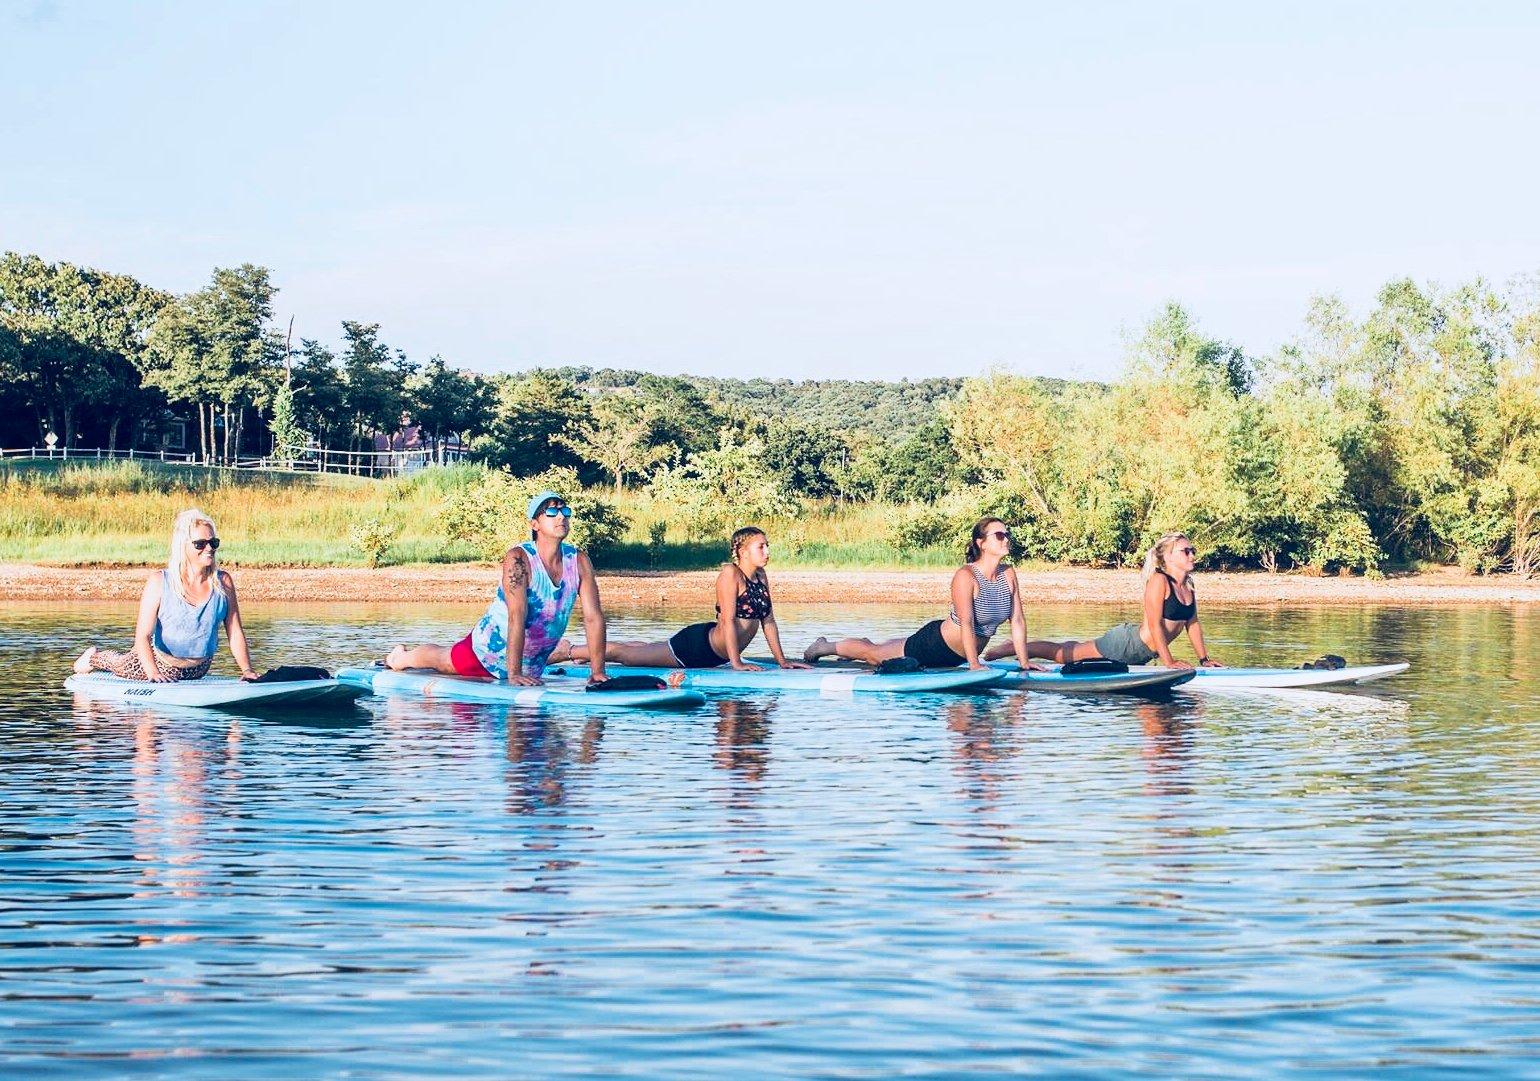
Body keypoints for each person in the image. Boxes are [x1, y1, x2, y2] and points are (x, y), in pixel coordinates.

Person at [386, 490, 609, 686]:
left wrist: (597, 671)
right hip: (487, 652)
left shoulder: (578, 561)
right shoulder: (519, 558)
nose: (561, 516)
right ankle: (400, 658)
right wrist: (514, 674)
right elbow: (516, 615)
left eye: (565, 511)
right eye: (551, 512)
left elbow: (593, 618)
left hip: (533, 663)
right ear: (535, 524)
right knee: (443, 660)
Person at [803, 517, 1040, 671]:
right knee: (873, 656)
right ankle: (822, 647)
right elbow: (966, 624)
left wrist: (1024, 663)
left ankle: (857, 644)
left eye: (1007, 534)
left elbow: (1017, 621)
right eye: (999, 535)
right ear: (982, 543)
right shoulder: (965, 576)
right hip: (934, 645)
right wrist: (974, 664)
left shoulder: (1008, 574)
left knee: (881, 648)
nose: (1006, 539)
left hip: (959, 655)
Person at [561, 526, 808, 671]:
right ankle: (568, 651)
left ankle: (580, 650)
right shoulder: (730, 574)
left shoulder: (761, 576)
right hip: (696, 648)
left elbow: (769, 622)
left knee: (645, 649)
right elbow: (728, 621)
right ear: (743, 552)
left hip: (716, 654)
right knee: (626, 656)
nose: (767, 551)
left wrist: (782, 661)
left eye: (767, 545)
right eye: (761, 547)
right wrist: (736, 663)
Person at [984, 531, 1223, 669]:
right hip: (1127, 645)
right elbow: (1155, 626)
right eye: (1186, 551)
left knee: (1071, 648)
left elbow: (1193, 624)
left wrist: (1204, 659)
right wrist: (1169, 662)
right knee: (1064, 655)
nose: (1192, 554)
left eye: (1192, 550)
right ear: (1168, 557)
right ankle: (1011, 648)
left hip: (1143, 653)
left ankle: (1014, 646)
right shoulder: (1159, 581)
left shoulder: (1188, 585)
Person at [73, 508, 257, 682]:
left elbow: (235, 632)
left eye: (213, 542)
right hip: (159, 662)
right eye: (200, 544)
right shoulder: (159, 582)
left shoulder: (223, 583)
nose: (209, 548)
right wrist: (153, 673)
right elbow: (143, 636)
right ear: (182, 546)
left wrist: (247, 670)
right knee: (120, 664)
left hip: (199, 669)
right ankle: (91, 659)